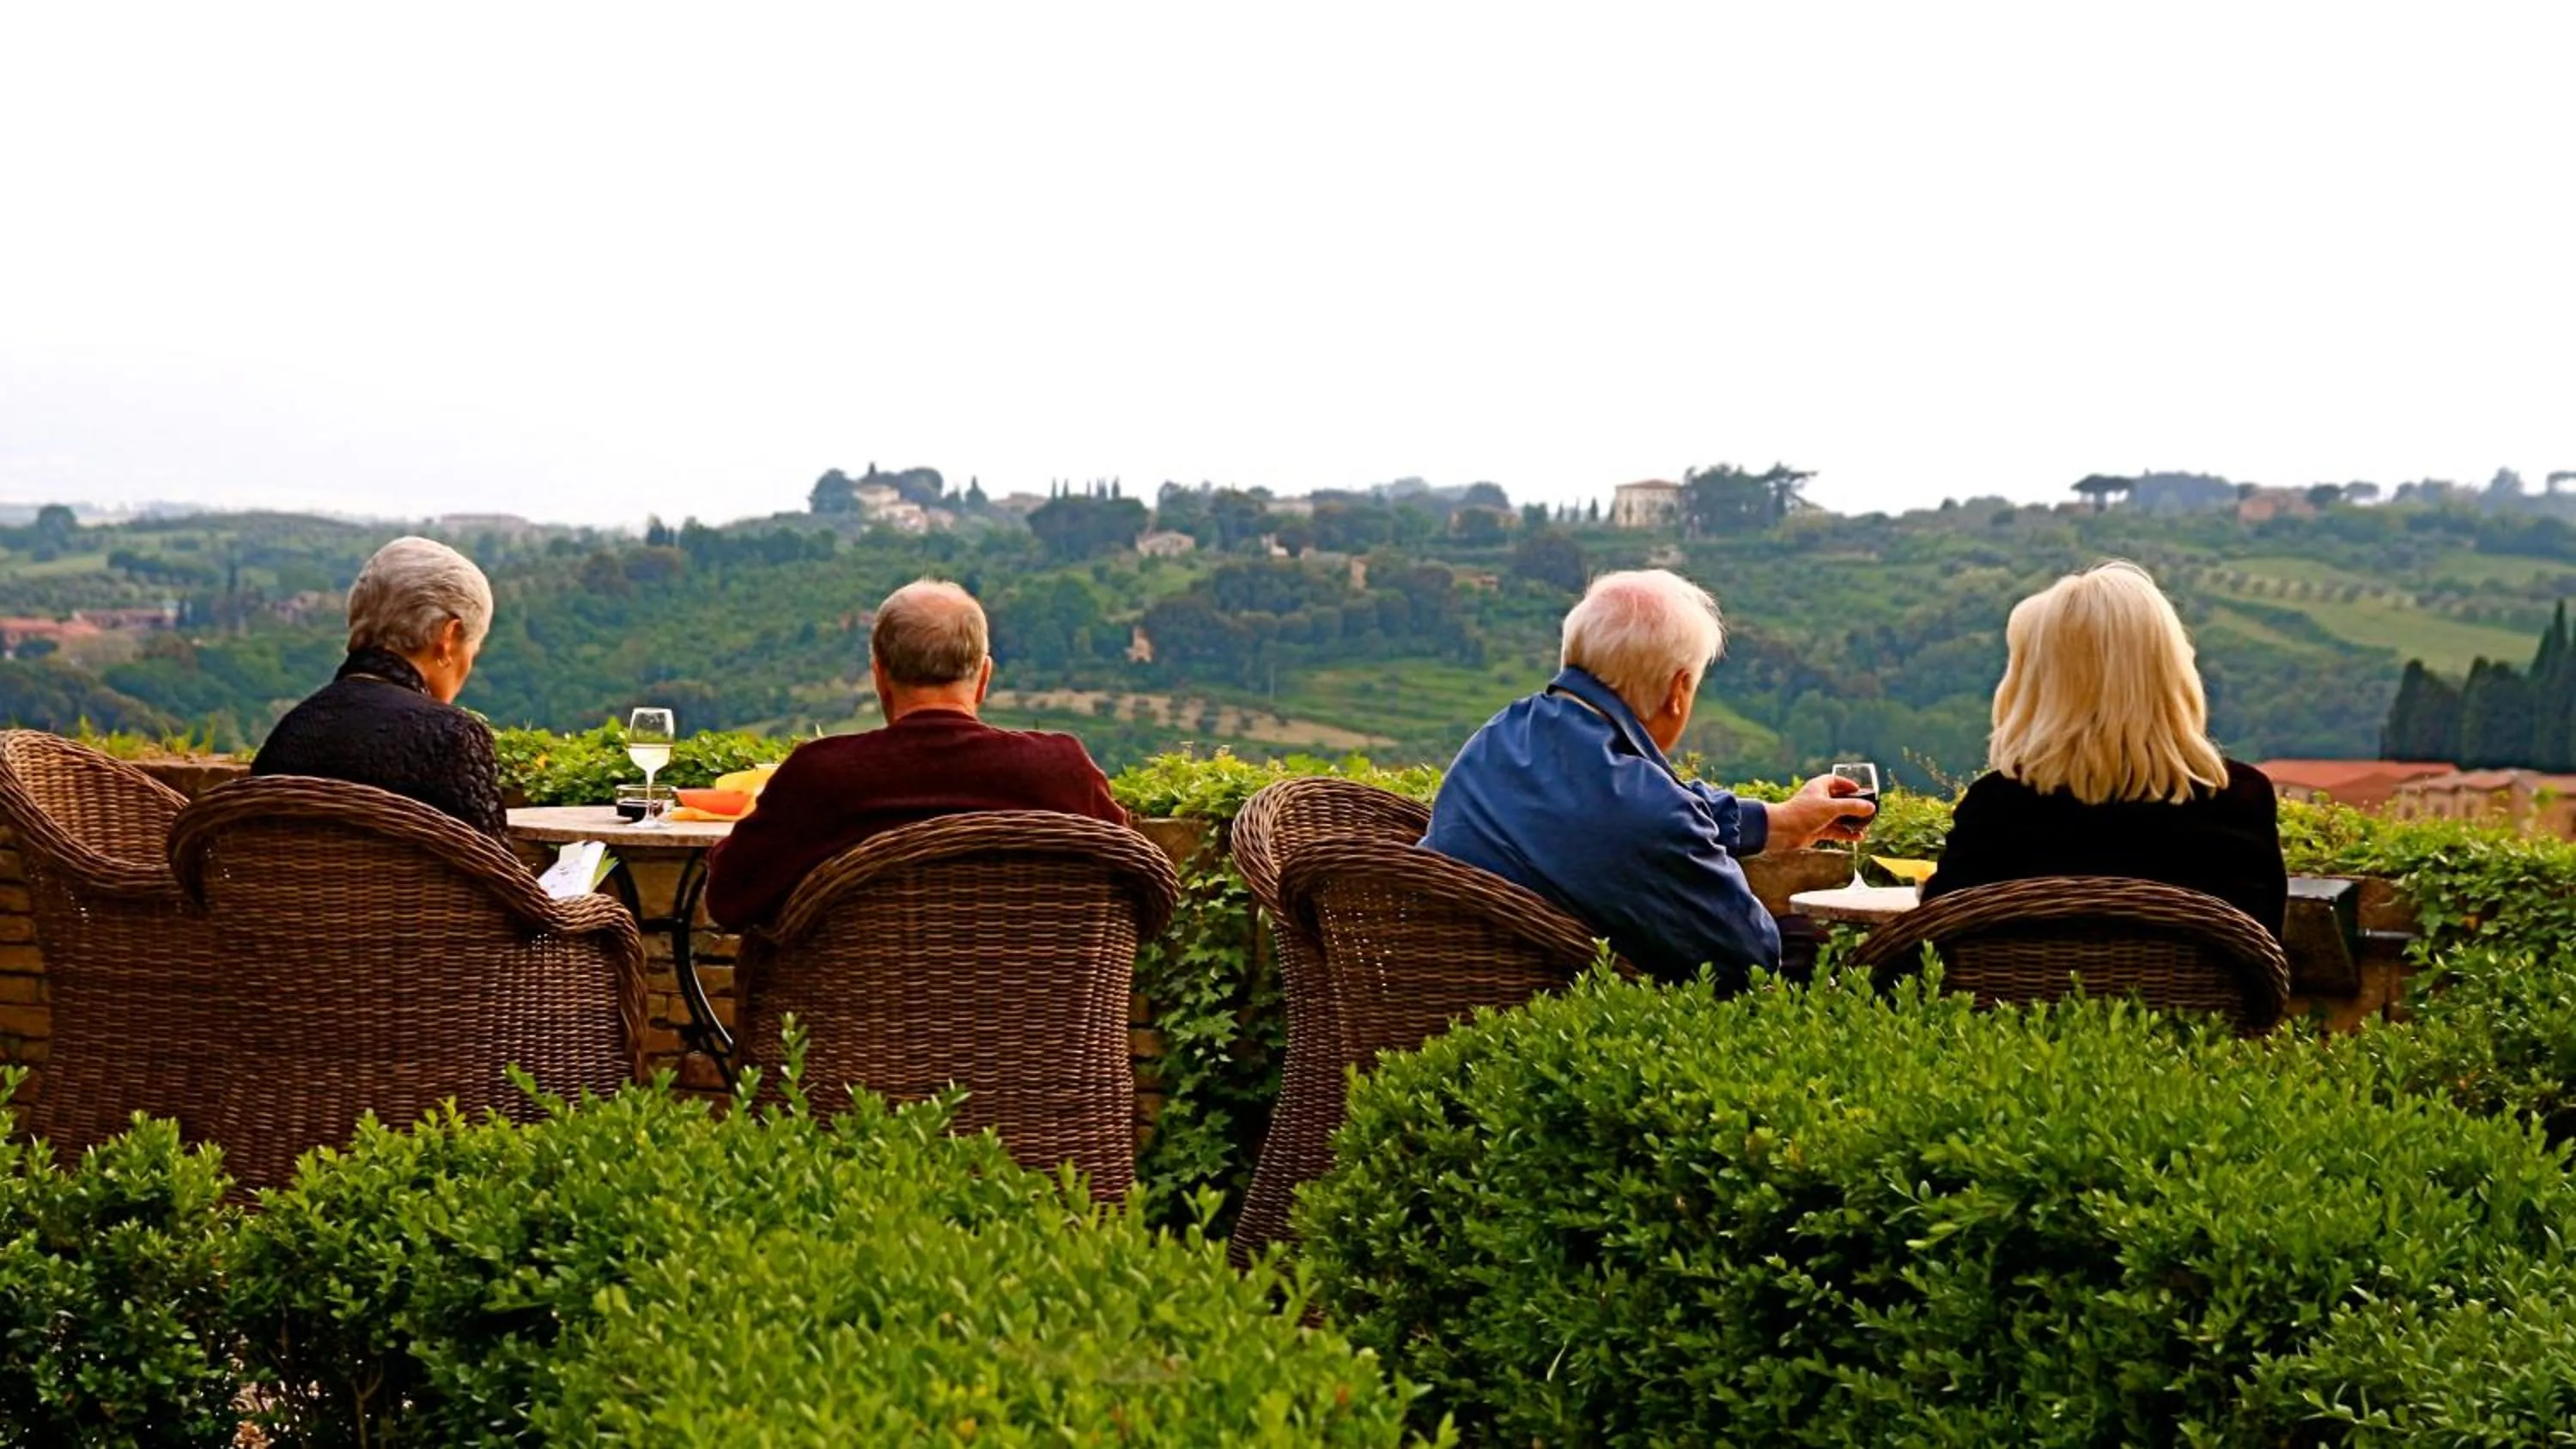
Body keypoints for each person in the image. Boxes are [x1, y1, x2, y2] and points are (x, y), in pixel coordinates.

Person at [1421, 568, 1871, 988]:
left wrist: (1781, 821)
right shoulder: (1653, 813)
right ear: (1678, 692)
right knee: (1803, 942)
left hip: (1452, 988)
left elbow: (1643, 804)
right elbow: (1747, 961)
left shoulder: (1500, 736)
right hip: (1580, 1014)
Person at [706, 579, 1127, 931]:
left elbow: (728, 899)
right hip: (1044, 1024)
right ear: (984, 677)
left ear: (879, 676)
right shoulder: (1060, 769)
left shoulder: (823, 777)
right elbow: (1132, 889)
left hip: (851, 1025)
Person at [1922, 561, 2287, 936]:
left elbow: (1934, 943)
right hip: (2195, 997)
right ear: (2170, 670)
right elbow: (2268, 947)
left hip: (2026, 995)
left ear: (2038, 683)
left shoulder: (1996, 807)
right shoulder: (2241, 799)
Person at [254, 536, 507, 838]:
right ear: (448, 637)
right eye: (473, 650)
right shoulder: (451, 737)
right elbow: (492, 877)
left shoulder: (290, 733)